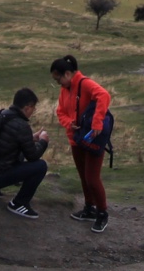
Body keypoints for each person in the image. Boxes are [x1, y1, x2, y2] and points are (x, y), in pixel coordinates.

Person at [50, 54, 114, 232]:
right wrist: (69, 122)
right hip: (76, 139)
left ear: (68, 74)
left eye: (59, 79)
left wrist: (97, 122)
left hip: (92, 137)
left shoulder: (85, 84)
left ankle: (102, 214)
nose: (58, 83)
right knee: (84, 177)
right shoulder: (65, 90)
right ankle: (89, 208)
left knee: (92, 178)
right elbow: (60, 111)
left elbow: (104, 95)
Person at [0, 87, 50, 219]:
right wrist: (43, 141)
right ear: (28, 107)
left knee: (20, 151)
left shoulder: (3, 115)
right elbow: (33, 156)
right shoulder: (21, 125)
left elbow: (12, 142)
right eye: (34, 108)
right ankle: (19, 204)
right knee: (41, 166)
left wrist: (31, 138)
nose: (33, 112)